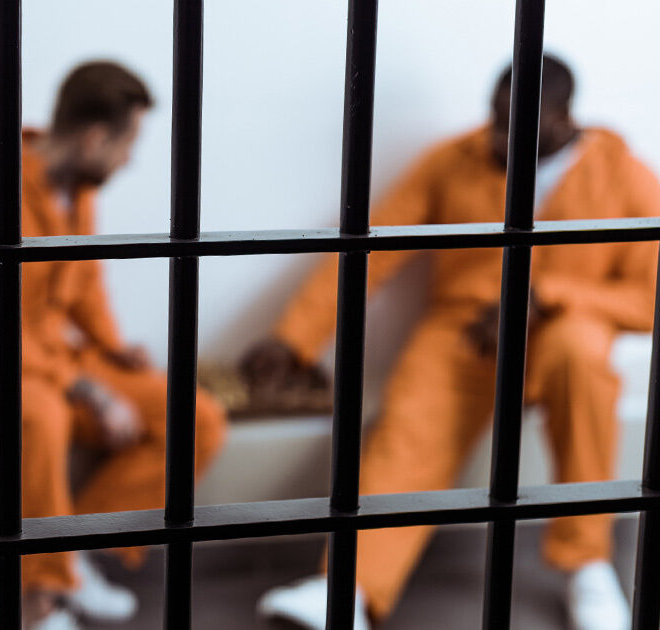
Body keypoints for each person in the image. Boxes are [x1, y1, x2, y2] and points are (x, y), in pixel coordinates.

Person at [248, 55, 660, 630]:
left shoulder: (626, 176)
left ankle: (588, 562)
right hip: (465, 333)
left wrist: (548, 296)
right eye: (495, 118)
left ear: (565, 117)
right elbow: (371, 250)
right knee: (409, 426)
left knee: (583, 359)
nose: (500, 135)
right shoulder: (454, 159)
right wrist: (293, 338)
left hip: (562, 332)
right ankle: (347, 589)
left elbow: (648, 299)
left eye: (521, 123)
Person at [0, 61, 228, 630]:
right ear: (93, 138)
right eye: (128, 144)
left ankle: (69, 551)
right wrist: (86, 388)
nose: (129, 160)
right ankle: (37, 605)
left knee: (197, 417)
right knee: (37, 415)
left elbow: (84, 287)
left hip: (53, 361)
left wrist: (113, 349)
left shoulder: (76, 194)